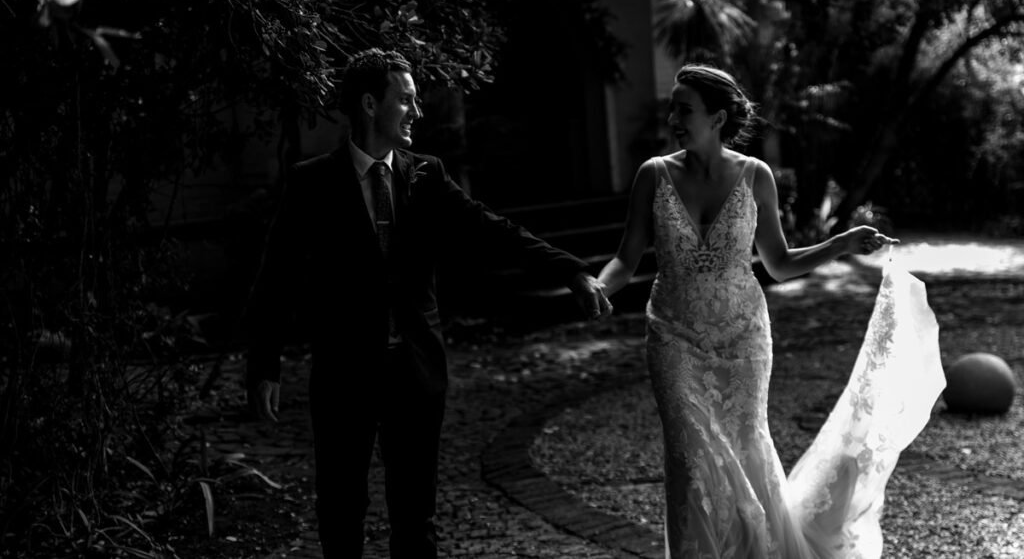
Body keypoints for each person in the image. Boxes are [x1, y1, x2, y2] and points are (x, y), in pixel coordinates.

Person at [243, 48, 612, 559]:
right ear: (370, 104)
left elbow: (492, 228)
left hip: (415, 372)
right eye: (406, 100)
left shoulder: (427, 174)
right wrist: (264, 365)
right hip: (344, 372)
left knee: (416, 519)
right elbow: (276, 276)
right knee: (341, 513)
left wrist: (570, 270)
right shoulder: (314, 181)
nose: (417, 111)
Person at [597, 64, 945, 558]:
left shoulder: (755, 175)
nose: (673, 119)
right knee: (690, 457)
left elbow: (778, 264)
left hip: (743, 336)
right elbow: (625, 259)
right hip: (674, 335)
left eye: (684, 110)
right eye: (673, 108)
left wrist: (840, 244)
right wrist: (599, 285)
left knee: (746, 448)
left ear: (717, 118)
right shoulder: (653, 175)